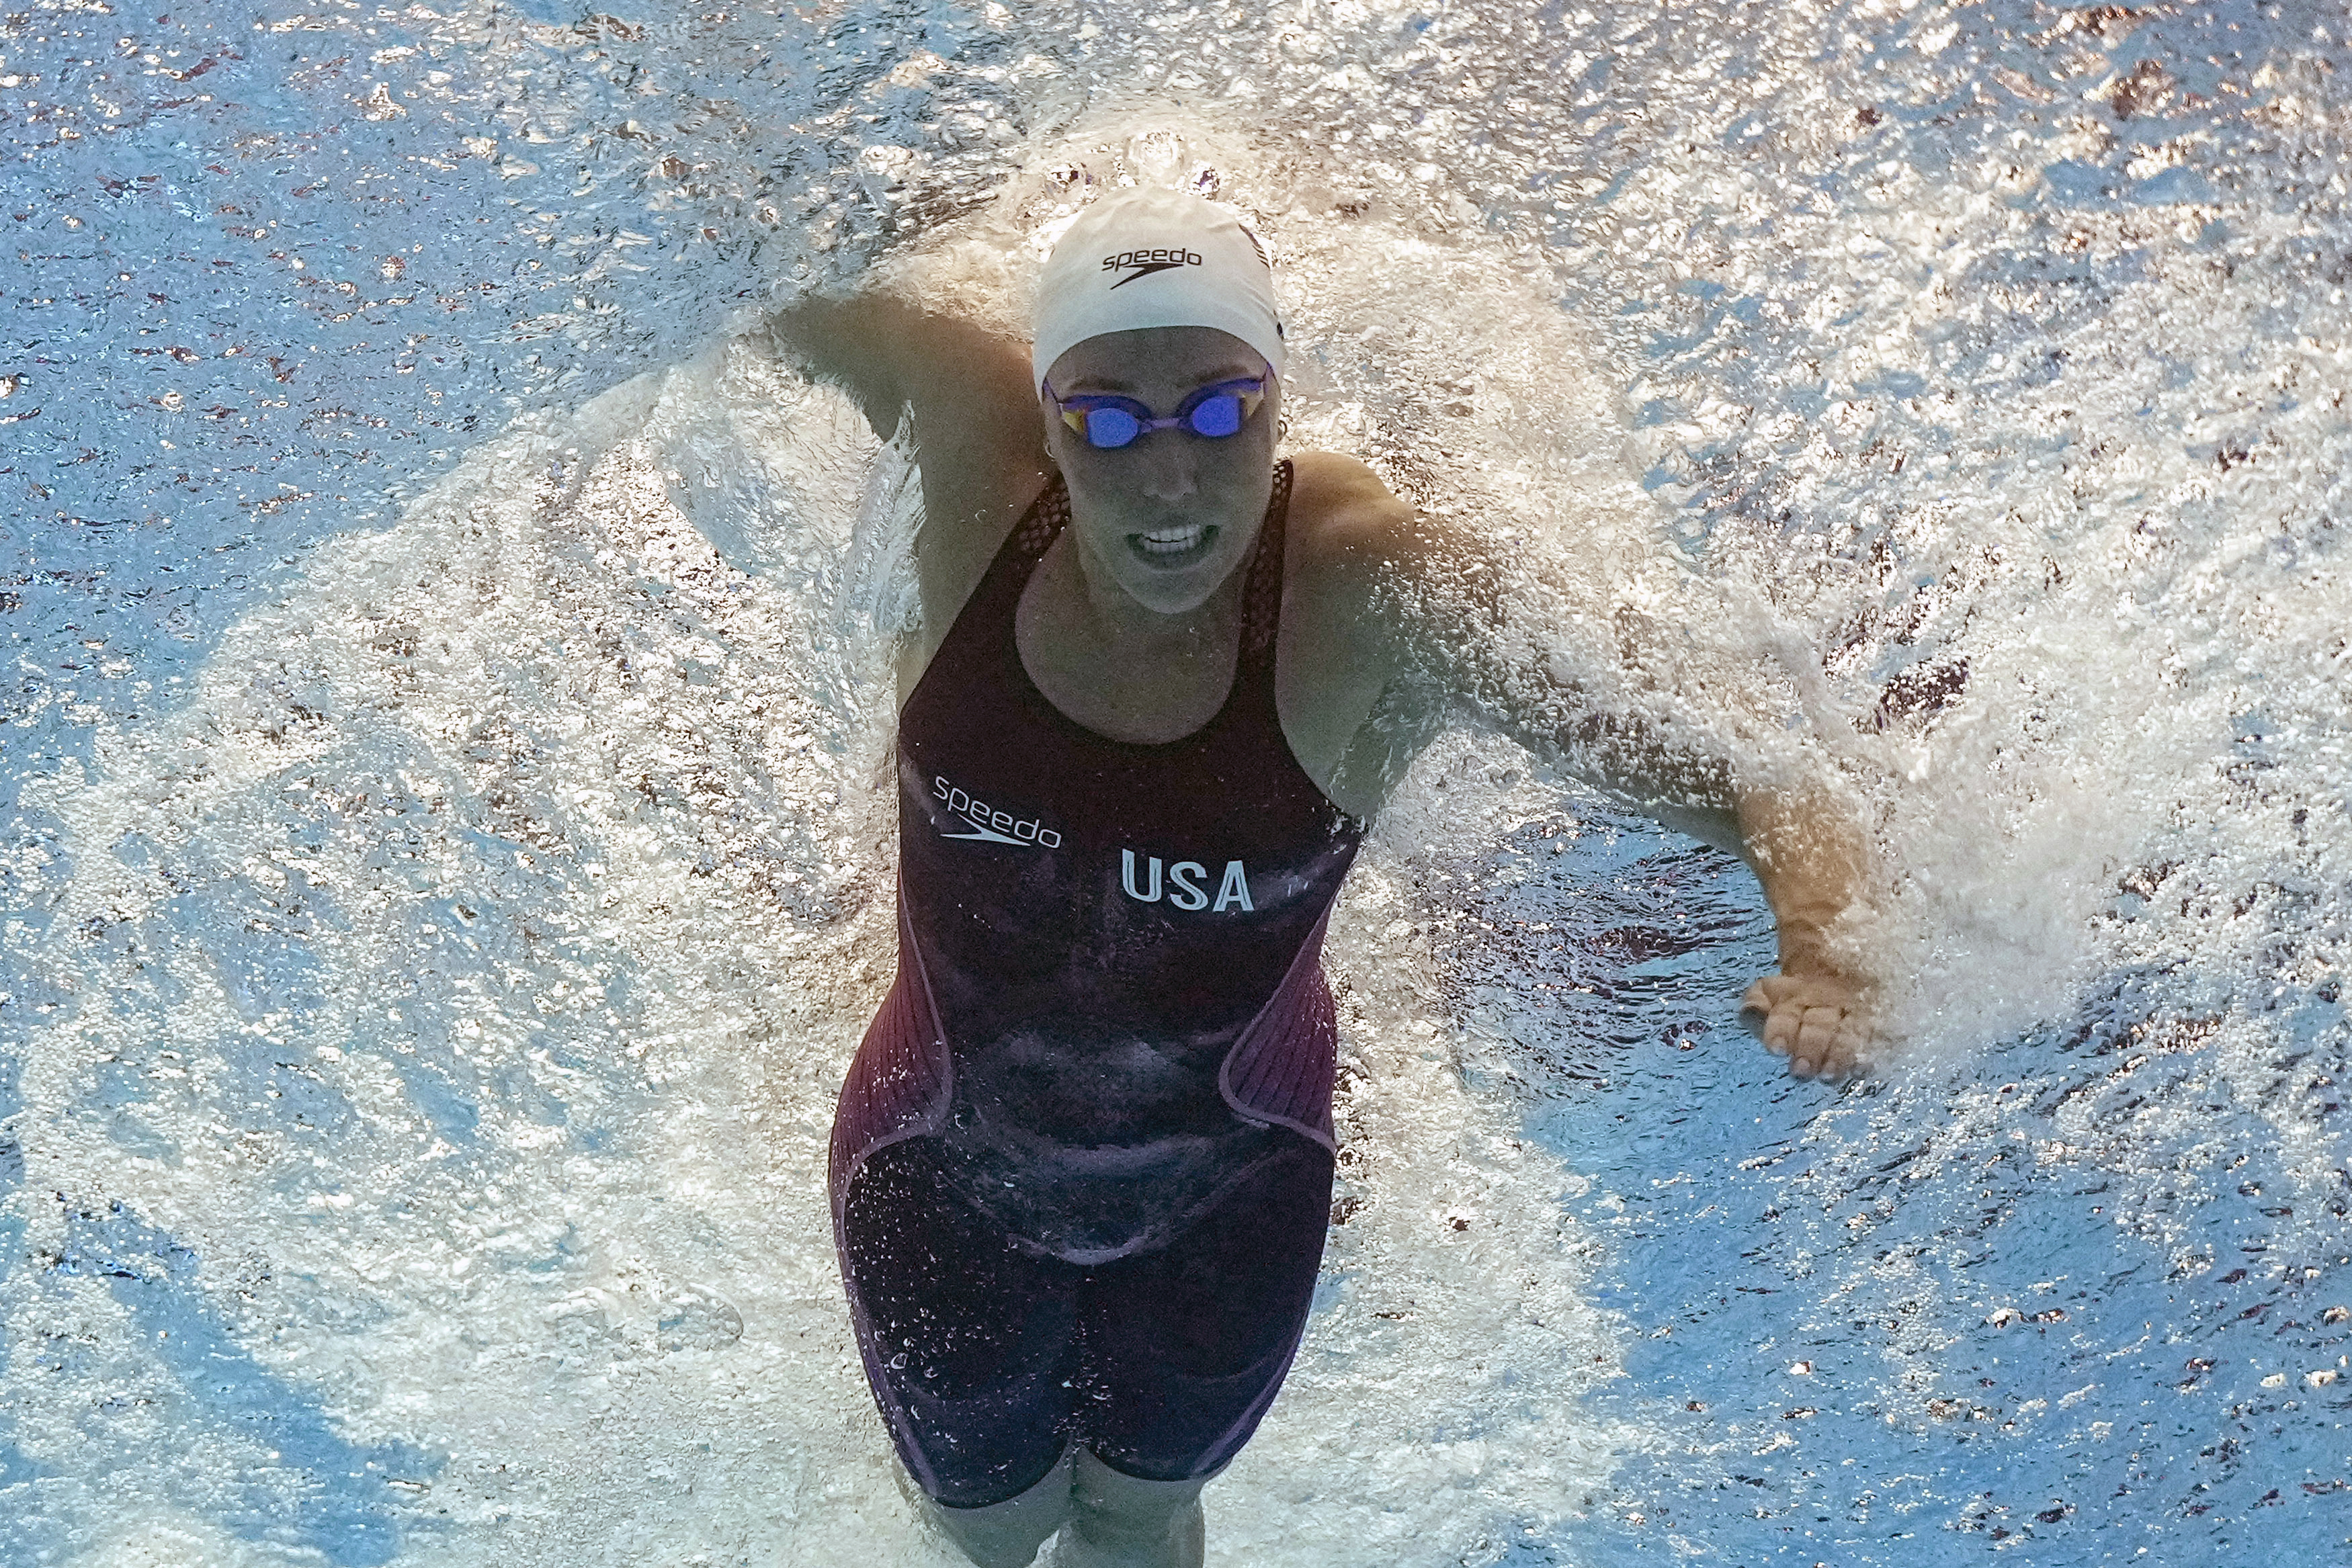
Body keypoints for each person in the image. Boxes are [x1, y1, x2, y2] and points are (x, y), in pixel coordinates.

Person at [780, 185, 1871, 1568]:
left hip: (1231, 1192)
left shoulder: (1377, 595)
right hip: (934, 1167)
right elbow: (733, 281)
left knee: (1135, 1519)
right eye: (1107, 419)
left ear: (1279, 399)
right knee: (987, 1535)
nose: (1167, 476)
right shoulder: (970, 461)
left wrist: (1826, 945)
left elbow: (1751, 774)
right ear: (1052, 416)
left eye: (1221, 409)